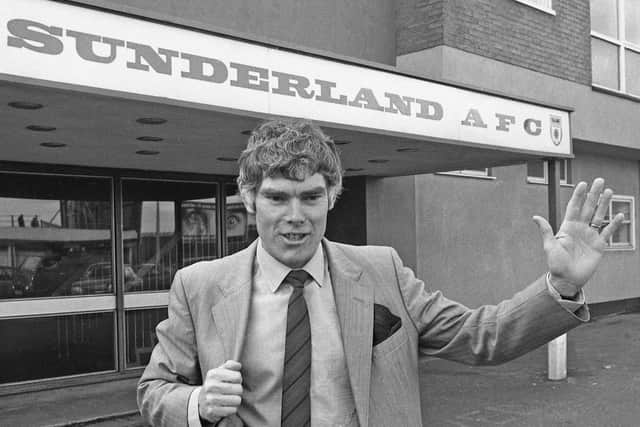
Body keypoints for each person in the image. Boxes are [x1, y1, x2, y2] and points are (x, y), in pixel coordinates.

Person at [138, 119, 624, 427]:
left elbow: (483, 335)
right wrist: (198, 403)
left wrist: (563, 284)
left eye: (310, 197)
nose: (295, 215)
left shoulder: (381, 270)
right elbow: (154, 390)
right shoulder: (199, 285)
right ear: (248, 198)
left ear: (331, 195)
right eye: (277, 197)